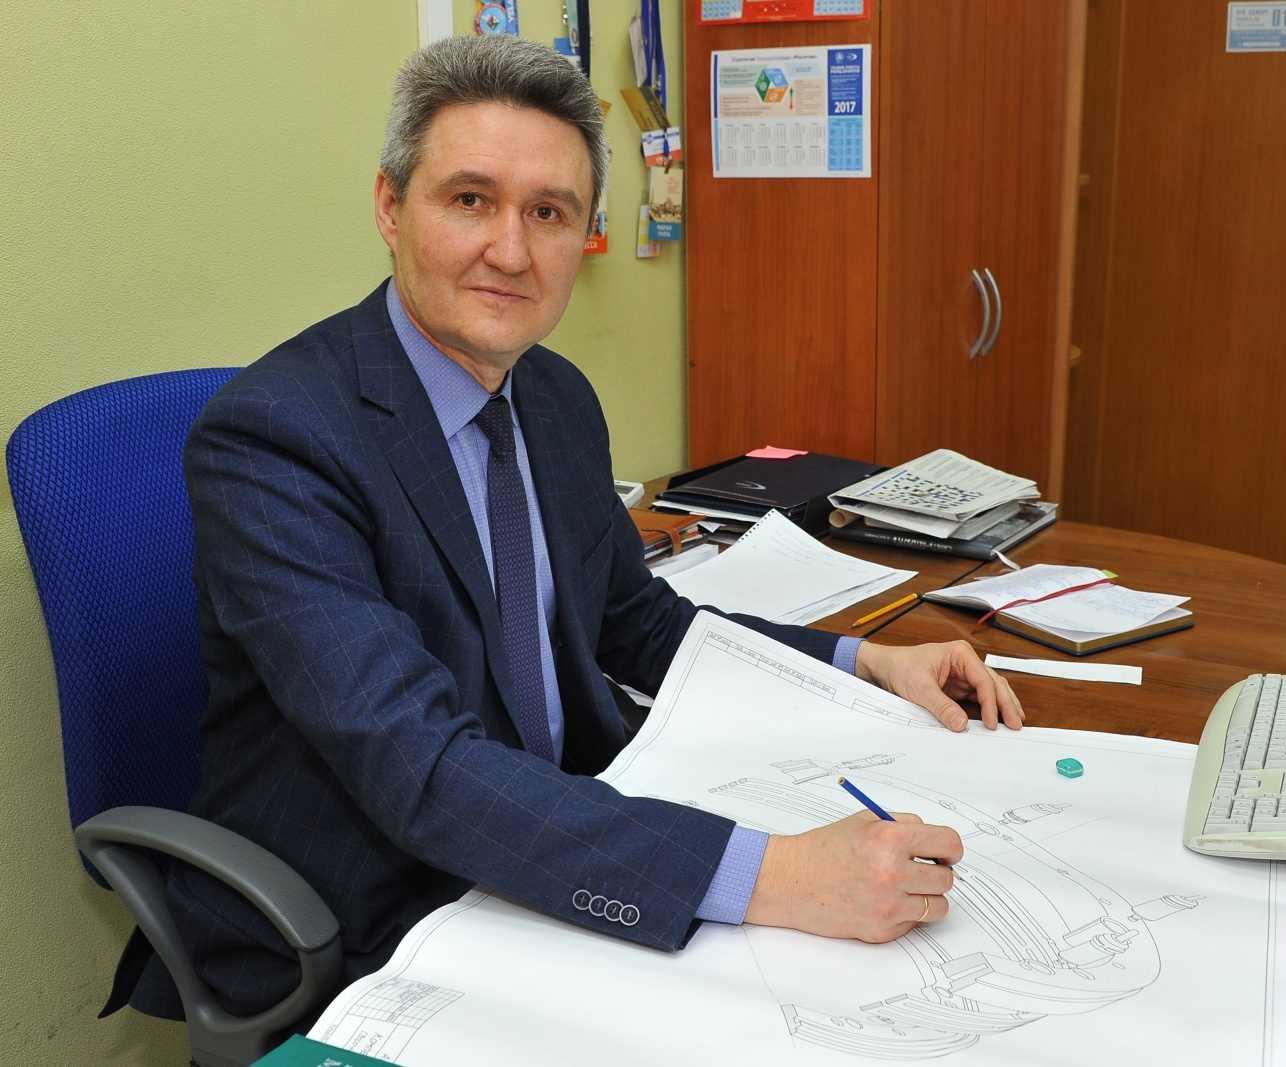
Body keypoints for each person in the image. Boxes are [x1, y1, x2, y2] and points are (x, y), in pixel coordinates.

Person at [130, 35, 1023, 1023]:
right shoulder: (276, 438)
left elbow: (636, 624)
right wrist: (782, 876)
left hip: (550, 830)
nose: (511, 252)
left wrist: (863, 665)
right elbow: (418, 765)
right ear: (390, 206)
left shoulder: (552, 397)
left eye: (548, 213)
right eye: (469, 199)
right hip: (374, 904)